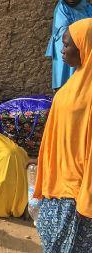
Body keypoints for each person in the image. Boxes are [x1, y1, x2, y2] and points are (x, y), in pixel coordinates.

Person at [34, 18, 92, 252]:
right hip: (57, 180)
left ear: (85, 47)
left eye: (67, 44)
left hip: (76, 189)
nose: (62, 49)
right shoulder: (76, 79)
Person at [45, 0, 92, 91]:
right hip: (65, 45)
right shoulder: (62, 9)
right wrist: (82, 34)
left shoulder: (88, 9)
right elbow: (63, 30)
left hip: (84, 47)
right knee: (64, 74)